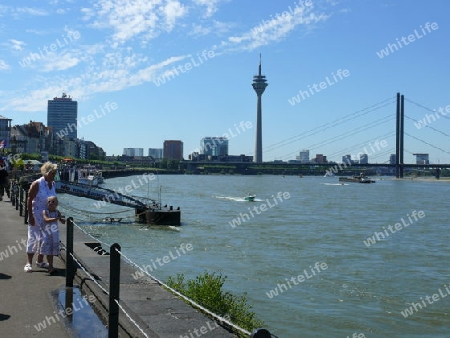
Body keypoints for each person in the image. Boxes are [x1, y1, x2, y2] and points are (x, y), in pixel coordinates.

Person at [24, 162, 58, 273]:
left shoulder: (52, 184)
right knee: (33, 238)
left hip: (47, 217)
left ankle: (40, 261)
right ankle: (29, 263)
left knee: (44, 240)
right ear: (46, 172)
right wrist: (30, 216)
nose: (54, 175)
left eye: (55, 173)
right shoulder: (37, 183)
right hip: (36, 215)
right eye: (52, 173)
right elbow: (29, 199)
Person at [41, 196, 65, 275]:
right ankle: (50, 266)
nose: (50, 203)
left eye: (53, 202)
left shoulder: (57, 212)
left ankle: (50, 266)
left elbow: (62, 221)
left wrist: (62, 219)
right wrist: (56, 219)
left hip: (54, 234)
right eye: (49, 202)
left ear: (57, 204)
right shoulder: (45, 211)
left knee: (52, 251)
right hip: (47, 234)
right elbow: (46, 220)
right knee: (48, 251)